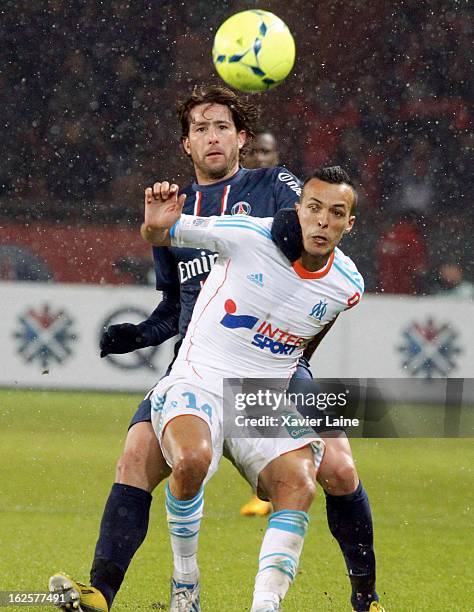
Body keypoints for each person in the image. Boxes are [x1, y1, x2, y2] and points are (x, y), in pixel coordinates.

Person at [49, 87, 381, 612]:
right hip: (202, 358)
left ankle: (367, 597)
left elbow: (312, 227)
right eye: (200, 129)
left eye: (223, 127)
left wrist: (298, 359)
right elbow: (172, 303)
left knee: (337, 467)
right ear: (186, 144)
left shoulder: (272, 186)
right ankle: (102, 594)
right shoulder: (177, 205)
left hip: (279, 365)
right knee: (137, 458)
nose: (212, 136)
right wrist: (140, 333)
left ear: (242, 138)